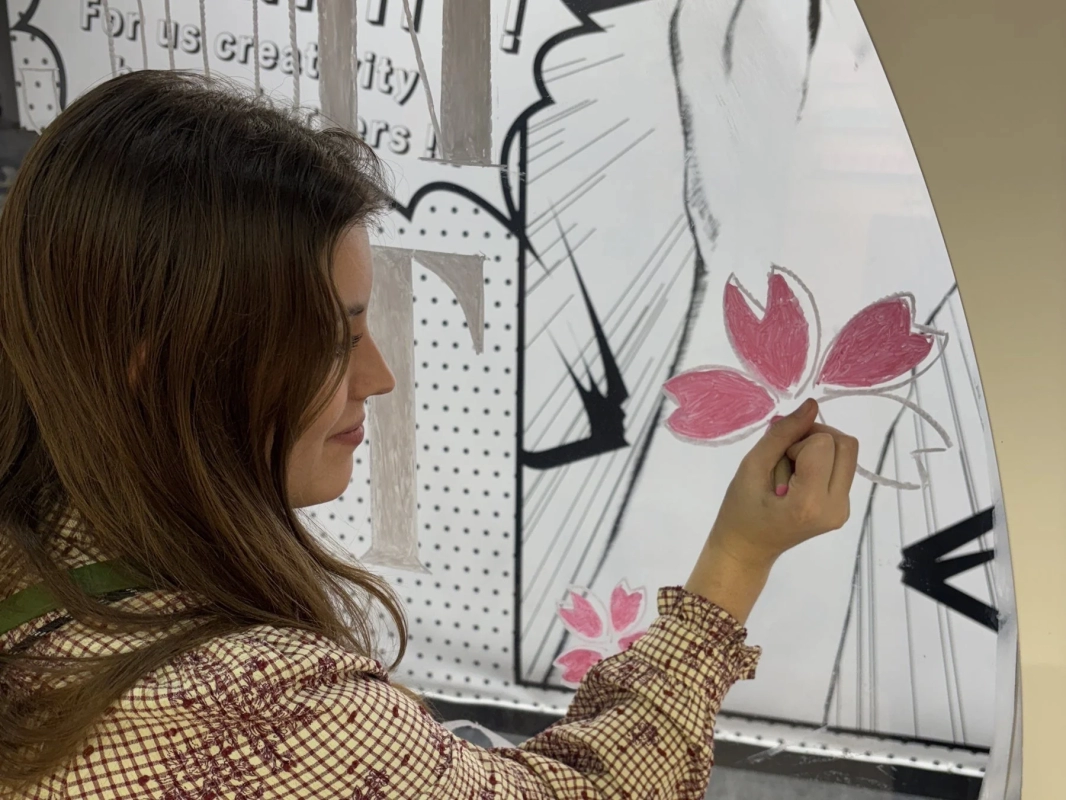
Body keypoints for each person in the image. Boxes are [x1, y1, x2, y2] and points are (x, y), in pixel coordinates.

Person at [0, 70, 858, 799]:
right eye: (333, 338)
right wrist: (737, 559)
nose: (378, 377)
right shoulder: (254, 710)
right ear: (159, 365)